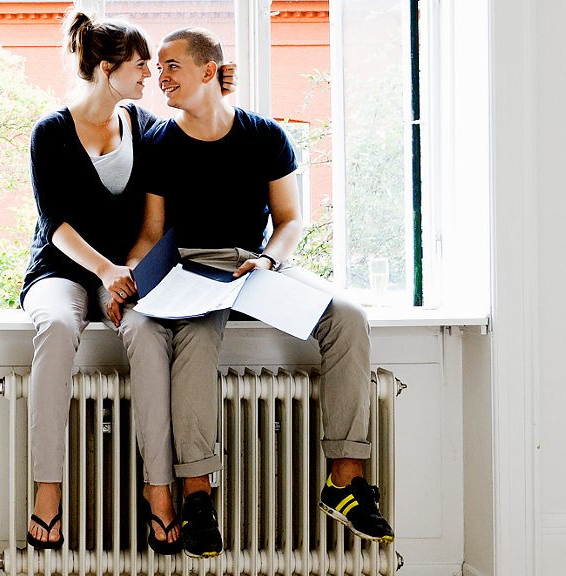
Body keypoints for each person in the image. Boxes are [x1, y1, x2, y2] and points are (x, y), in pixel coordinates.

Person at [124, 26, 395, 558]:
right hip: (192, 267)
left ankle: (345, 480)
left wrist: (268, 259)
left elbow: (290, 219)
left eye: (172, 66)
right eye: (158, 69)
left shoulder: (265, 135)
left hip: (257, 263)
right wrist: (130, 277)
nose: (161, 77)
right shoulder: (158, 143)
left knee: (348, 315)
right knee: (194, 342)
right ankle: (197, 496)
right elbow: (152, 234)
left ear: (208, 70)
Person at [20, 12, 234, 555]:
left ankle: (158, 488)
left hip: (127, 274)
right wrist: (106, 271)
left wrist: (219, 94)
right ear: (106, 68)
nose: (149, 75)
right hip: (61, 270)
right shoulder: (50, 132)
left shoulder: (143, 125)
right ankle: (48, 487)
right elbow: (55, 224)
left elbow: (192, 148)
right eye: (140, 65)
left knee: (145, 329)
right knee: (56, 326)